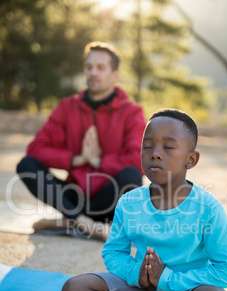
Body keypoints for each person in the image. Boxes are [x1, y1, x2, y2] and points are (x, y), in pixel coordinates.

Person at [61, 109, 227, 291]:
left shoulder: (208, 209)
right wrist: (138, 274)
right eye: (148, 146)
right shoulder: (129, 202)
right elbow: (114, 252)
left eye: (168, 147)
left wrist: (168, 279)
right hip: (139, 288)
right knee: (74, 289)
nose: (155, 153)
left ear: (191, 159)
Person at [16, 42, 146, 241]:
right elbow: (36, 149)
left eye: (101, 68)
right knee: (26, 165)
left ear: (115, 75)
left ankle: (71, 221)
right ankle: (85, 223)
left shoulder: (132, 112)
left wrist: (98, 162)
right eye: (89, 67)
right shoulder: (68, 107)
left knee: (131, 175)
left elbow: (139, 161)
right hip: (73, 196)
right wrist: (78, 159)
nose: (93, 73)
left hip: (109, 198)